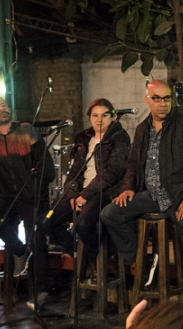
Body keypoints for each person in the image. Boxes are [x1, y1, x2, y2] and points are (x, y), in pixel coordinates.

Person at [101, 80, 183, 309]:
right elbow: (132, 163)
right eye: (157, 99)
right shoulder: (142, 128)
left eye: (167, 98)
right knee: (110, 213)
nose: (163, 103)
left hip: (180, 197)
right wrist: (128, 188)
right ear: (147, 100)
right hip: (150, 196)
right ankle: (143, 263)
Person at [0, 95, 55, 310]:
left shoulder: (25, 129)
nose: (1, 108)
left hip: (31, 194)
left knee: (37, 235)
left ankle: (40, 292)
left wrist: (37, 191)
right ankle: (20, 252)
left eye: (3, 104)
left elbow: (46, 167)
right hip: (4, 194)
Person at [44, 99, 130, 272]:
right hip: (80, 191)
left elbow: (112, 172)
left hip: (105, 191)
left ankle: (95, 263)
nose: (99, 120)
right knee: (47, 221)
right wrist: (72, 194)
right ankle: (80, 255)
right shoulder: (83, 138)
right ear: (90, 118)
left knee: (82, 224)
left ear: (113, 117)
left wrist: (85, 195)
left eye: (105, 115)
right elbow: (74, 170)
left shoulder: (119, 137)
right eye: (95, 115)